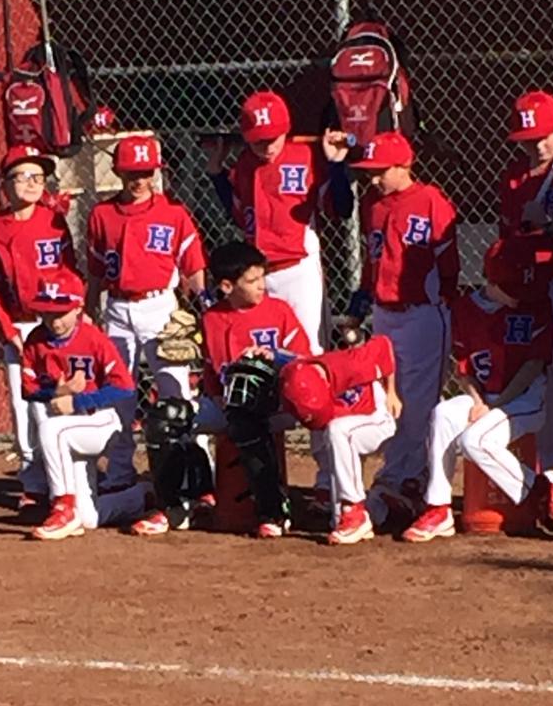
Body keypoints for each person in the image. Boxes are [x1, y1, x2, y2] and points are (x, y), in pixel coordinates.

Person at [205, 90, 354, 504]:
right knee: (256, 363)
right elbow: (238, 216)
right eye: (257, 137)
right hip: (258, 275)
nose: (265, 143)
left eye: (272, 136)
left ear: (286, 131)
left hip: (299, 269)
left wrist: (337, 166)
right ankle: (266, 467)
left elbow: (339, 208)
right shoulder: (246, 166)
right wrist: (218, 174)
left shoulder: (306, 158)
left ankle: (327, 475)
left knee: (309, 364)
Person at [132, 241, 312, 538]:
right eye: (252, 281)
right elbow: (214, 371)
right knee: (166, 417)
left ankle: (272, 511)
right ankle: (179, 504)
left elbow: (304, 359)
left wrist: (276, 357)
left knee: (245, 419)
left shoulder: (279, 310)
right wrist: (214, 397)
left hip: (276, 404)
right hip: (227, 401)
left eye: (262, 277)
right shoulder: (213, 318)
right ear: (227, 286)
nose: (262, 286)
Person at [403, 244, 553, 542]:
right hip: (486, 397)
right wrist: (477, 401)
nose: (520, 295)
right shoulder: (465, 309)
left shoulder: (537, 304)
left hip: (525, 398)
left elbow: (533, 366)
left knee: (475, 440)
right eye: (511, 288)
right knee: (443, 414)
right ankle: (439, 508)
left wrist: (495, 404)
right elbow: (464, 370)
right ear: (492, 282)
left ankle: (541, 493)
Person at [346, 131, 459, 519]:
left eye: (381, 171)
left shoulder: (430, 200)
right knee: (384, 394)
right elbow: (373, 258)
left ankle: (406, 476)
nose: (373, 179)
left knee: (416, 398)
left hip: (423, 312)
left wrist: (443, 299)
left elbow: (449, 262)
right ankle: (402, 474)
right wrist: (362, 300)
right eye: (369, 171)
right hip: (385, 312)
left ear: (403, 166)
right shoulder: (373, 205)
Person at [86, 134, 207, 490]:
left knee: (176, 391)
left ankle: (193, 472)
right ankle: (121, 471)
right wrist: (92, 310)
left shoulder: (173, 214)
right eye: (131, 173)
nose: (139, 180)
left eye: (146, 172)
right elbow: (94, 270)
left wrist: (205, 309)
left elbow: (193, 267)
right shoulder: (101, 214)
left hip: (160, 307)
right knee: (119, 393)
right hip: (118, 308)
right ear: (118, 172)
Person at [21, 267, 145, 540]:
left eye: (61, 313)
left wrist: (78, 400)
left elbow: (124, 387)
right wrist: (57, 391)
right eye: (48, 312)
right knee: (88, 518)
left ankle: (62, 507)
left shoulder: (94, 339)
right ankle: (139, 498)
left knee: (51, 430)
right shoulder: (35, 340)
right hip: (71, 428)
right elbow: (27, 390)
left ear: (78, 308)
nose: (54, 321)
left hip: (100, 420)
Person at [0, 144, 76, 505]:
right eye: (25, 176)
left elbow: (69, 271)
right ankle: (32, 480)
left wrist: (70, 315)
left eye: (40, 176)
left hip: (53, 321)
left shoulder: (53, 219)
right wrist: (8, 331)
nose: (35, 182)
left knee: (56, 395)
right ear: (6, 184)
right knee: (23, 404)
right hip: (20, 325)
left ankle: (61, 477)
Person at [499, 90, 553, 494]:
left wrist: (551, 222)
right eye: (528, 139)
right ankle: (548, 475)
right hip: (536, 288)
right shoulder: (515, 179)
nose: (536, 146)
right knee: (549, 379)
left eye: (544, 136)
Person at [278, 335, 401, 545]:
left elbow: (383, 344)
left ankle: (355, 512)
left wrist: (391, 392)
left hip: (377, 418)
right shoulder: (299, 370)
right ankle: (379, 508)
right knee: (336, 521)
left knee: (338, 430)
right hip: (348, 423)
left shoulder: (353, 363)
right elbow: (285, 358)